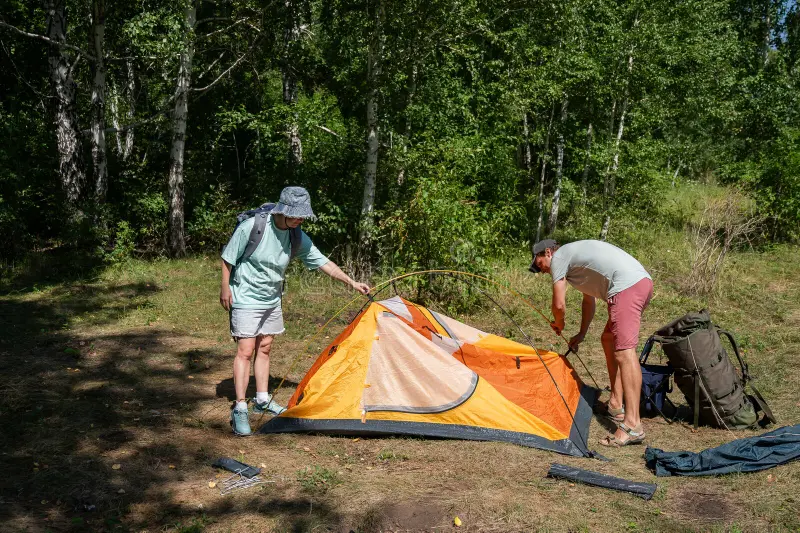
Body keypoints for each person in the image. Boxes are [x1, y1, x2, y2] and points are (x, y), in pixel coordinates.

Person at [220, 186, 370, 436]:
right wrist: (225, 288)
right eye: (297, 215)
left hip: (272, 298)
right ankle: (240, 407)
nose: (301, 219)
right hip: (245, 296)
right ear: (284, 211)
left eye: (303, 216)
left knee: (265, 346)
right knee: (245, 350)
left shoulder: (295, 235)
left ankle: (262, 399)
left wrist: (352, 282)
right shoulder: (253, 227)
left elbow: (323, 262)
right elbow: (228, 258)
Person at [529, 238, 653, 447]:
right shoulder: (576, 262)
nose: (541, 271)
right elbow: (589, 300)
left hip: (627, 286)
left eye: (539, 264)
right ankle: (615, 404)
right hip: (636, 283)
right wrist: (582, 333)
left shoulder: (560, 257)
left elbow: (559, 305)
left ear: (548, 252)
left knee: (625, 352)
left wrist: (559, 323)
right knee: (608, 339)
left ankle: (633, 425)